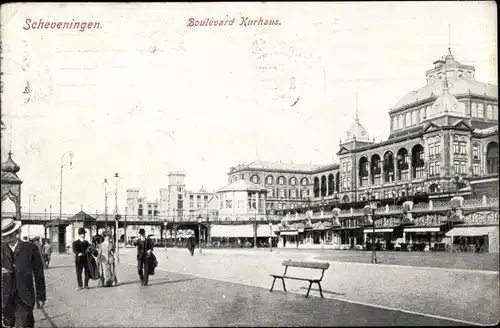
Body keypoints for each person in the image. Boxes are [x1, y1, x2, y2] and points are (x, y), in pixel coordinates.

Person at [2, 218, 46, 328]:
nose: (5, 239)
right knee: (8, 324)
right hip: (5, 300)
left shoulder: (30, 248)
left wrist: (41, 297)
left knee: (24, 324)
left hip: (24, 298)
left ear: (15, 233)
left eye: (7, 235)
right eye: (3, 236)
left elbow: (39, 274)